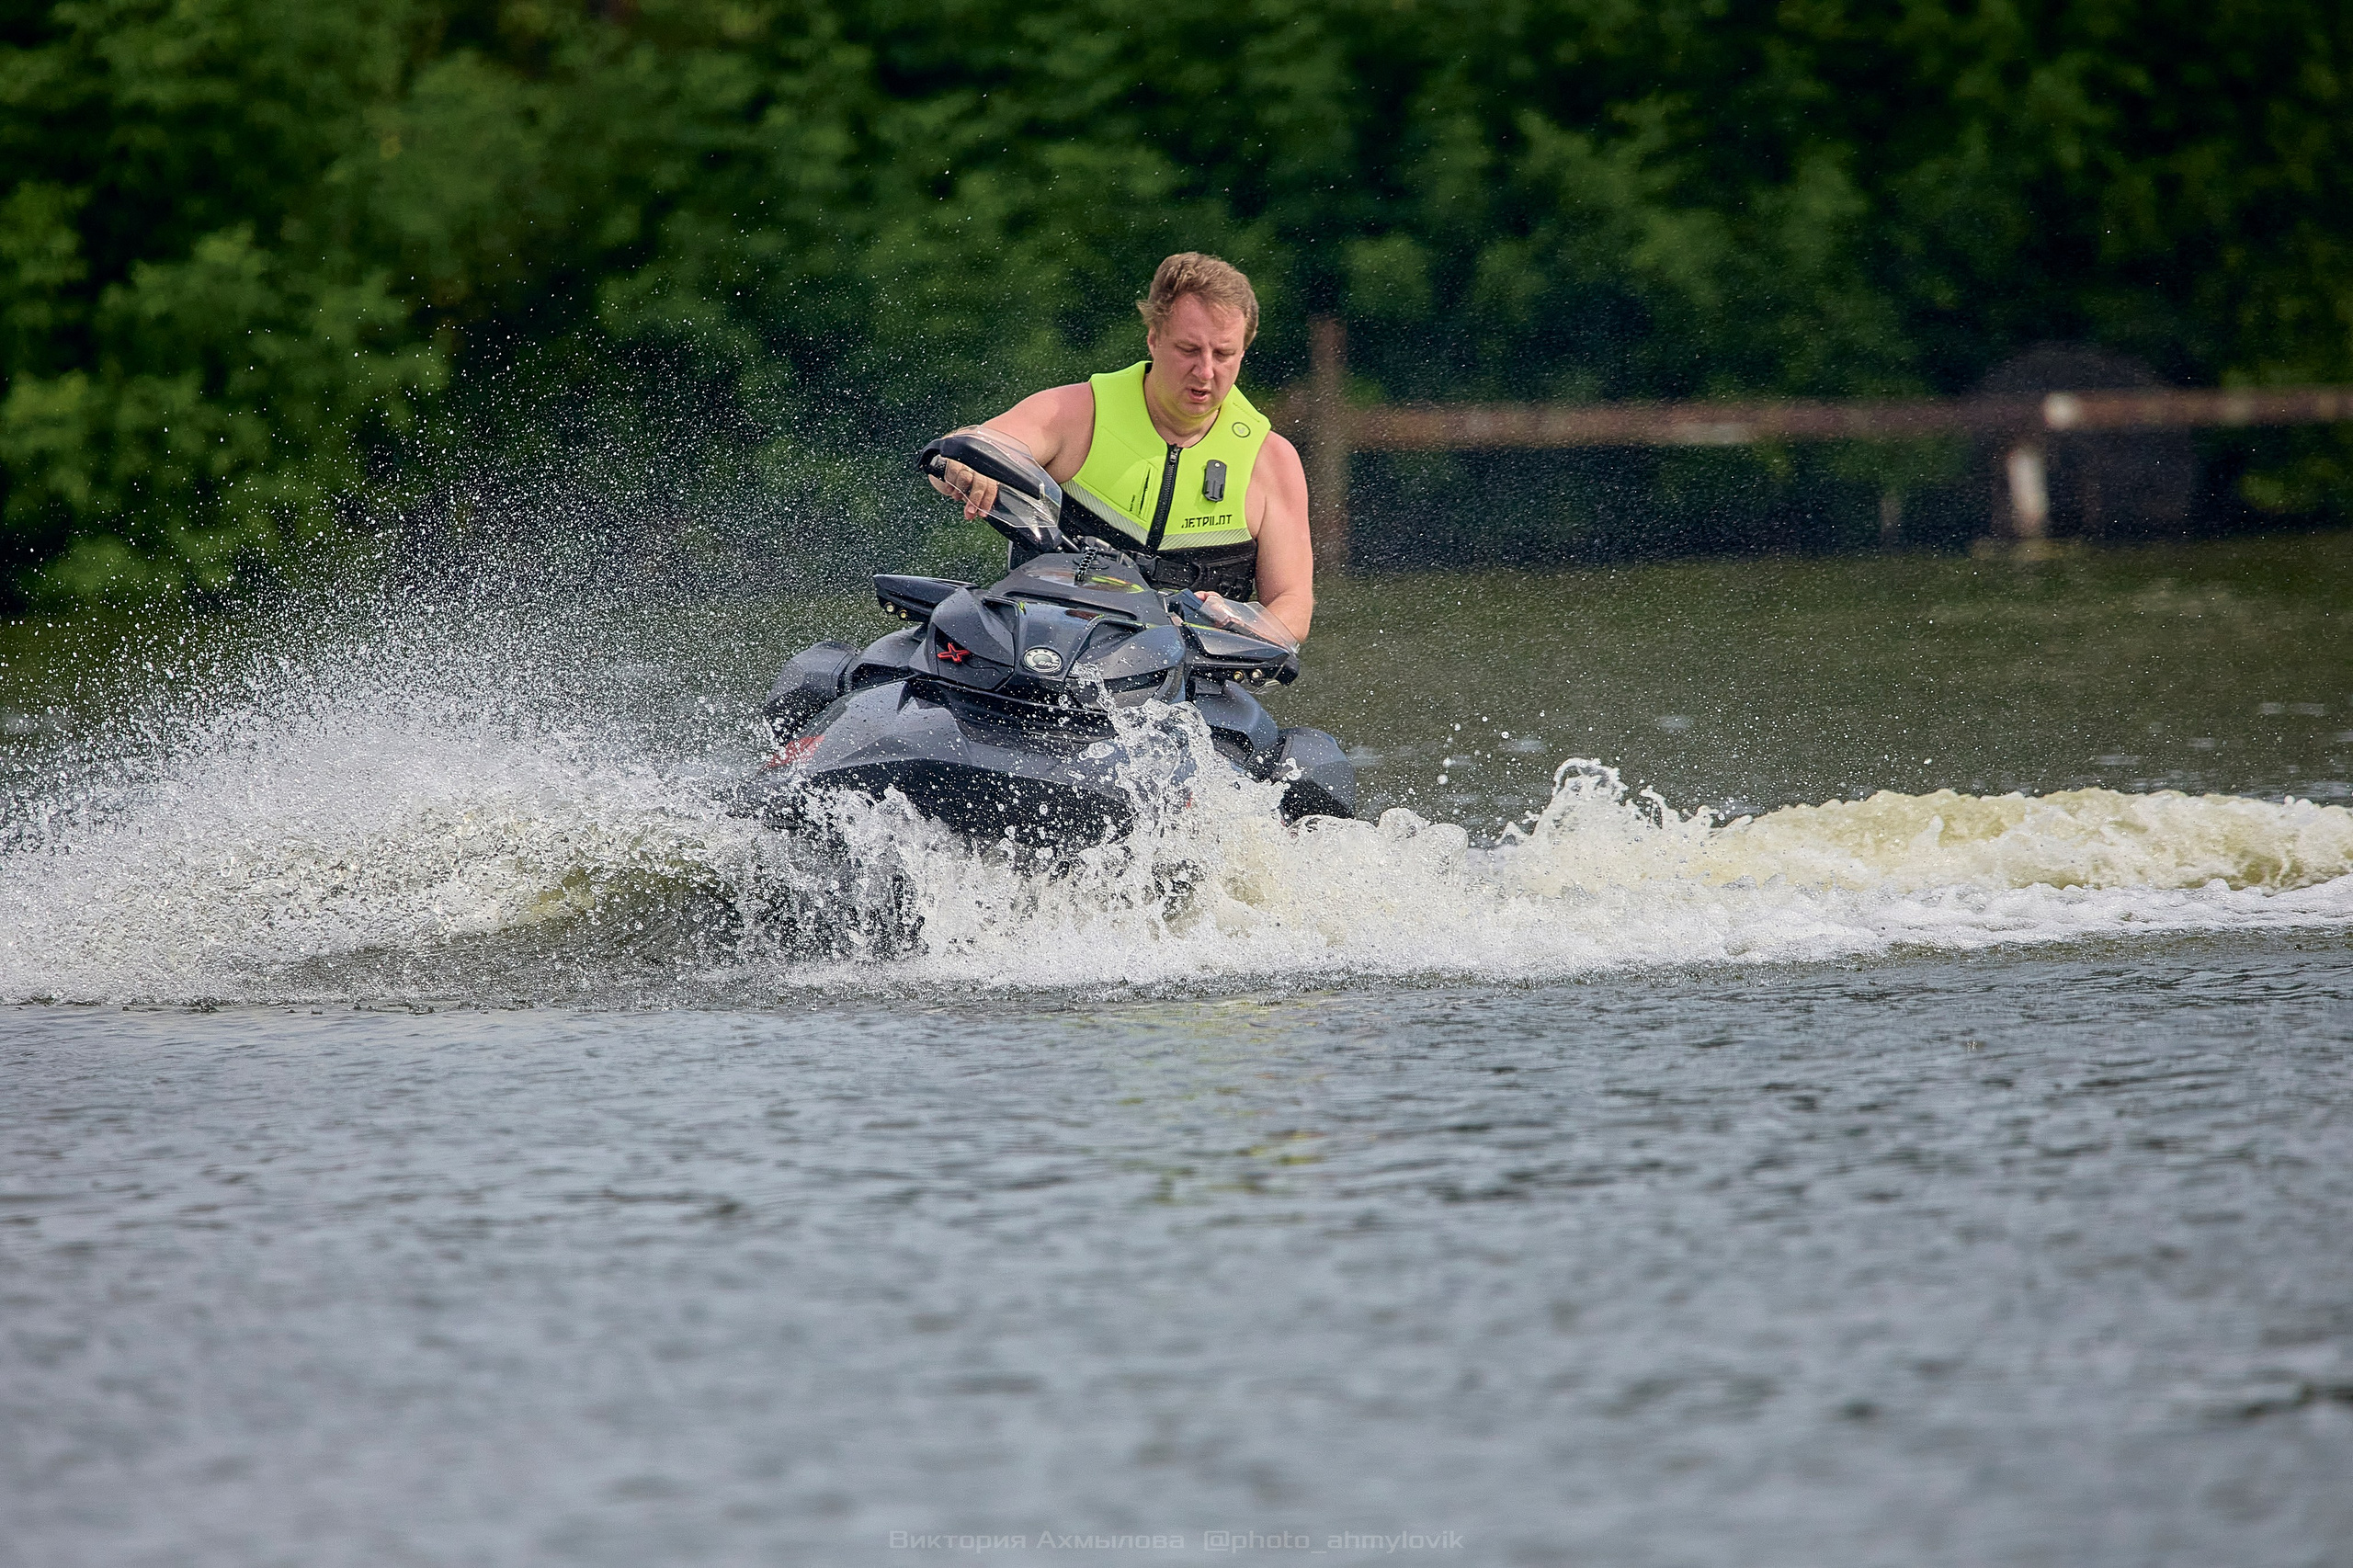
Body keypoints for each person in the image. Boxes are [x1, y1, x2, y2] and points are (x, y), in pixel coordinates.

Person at [926, 252, 1314, 643]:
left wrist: (1239, 621)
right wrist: (961, 466)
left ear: (1243, 352)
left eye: (1224, 354)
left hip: (1192, 682)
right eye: (1189, 350)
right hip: (1045, 650)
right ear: (1154, 339)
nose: (1206, 370)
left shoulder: (1272, 462)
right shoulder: (1073, 413)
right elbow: (973, 446)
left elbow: (1292, 602)